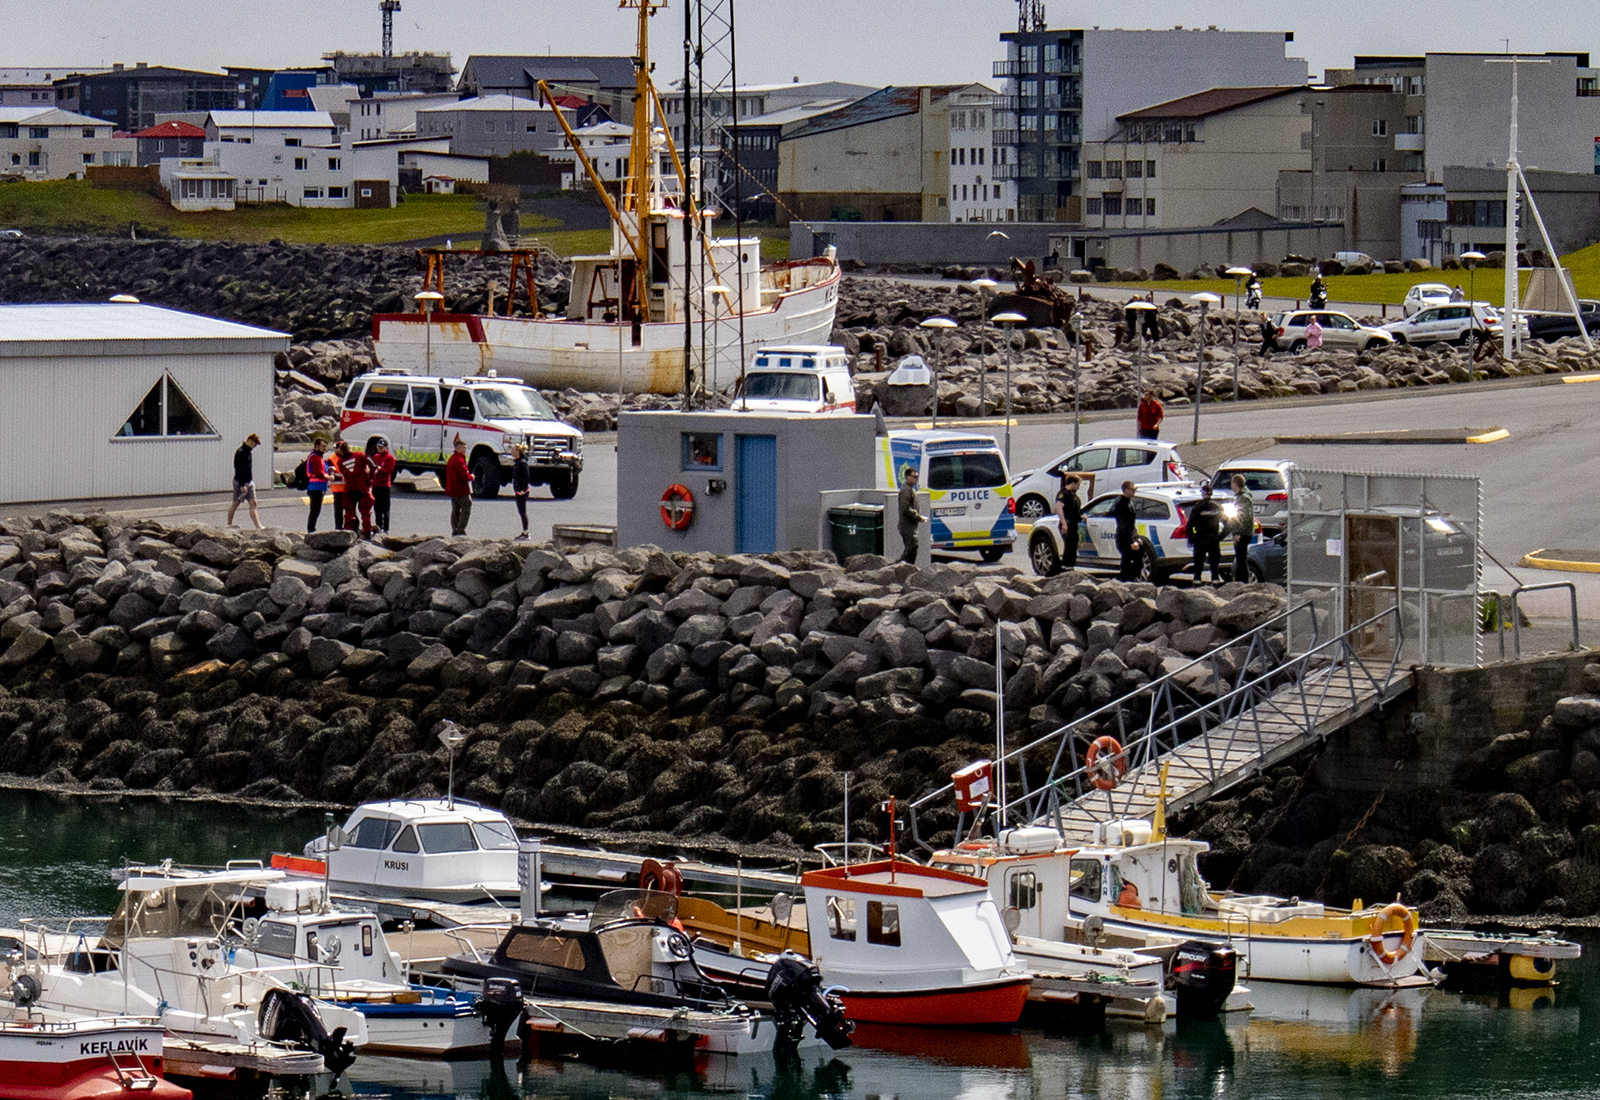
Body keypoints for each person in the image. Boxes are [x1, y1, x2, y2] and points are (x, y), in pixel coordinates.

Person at [1186, 483, 1227, 584]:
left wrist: (1191, 538)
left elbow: (1190, 525)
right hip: (1213, 538)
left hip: (1200, 538)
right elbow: (1228, 523)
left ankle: (1197, 581)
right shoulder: (1217, 507)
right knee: (1214, 563)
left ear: (1203, 493)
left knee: (1198, 563)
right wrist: (1221, 536)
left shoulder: (1197, 507)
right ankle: (1215, 581)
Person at [227, 433, 263, 530]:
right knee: (235, 503)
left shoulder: (248, 452)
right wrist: (242, 485)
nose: (254, 446)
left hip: (249, 481)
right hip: (240, 482)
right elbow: (239, 469)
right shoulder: (240, 452)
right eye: (254, 444)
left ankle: (258, 526)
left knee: (253, 502)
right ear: (250, 440)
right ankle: (229, 524)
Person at [340, 443, 373, 538]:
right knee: (365, 512)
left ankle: (348, 534)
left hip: (350, 489)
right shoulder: (360, 455)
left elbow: (343, 474)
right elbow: (373, 464)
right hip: (362, 488)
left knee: (349, 513)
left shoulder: (340, 462)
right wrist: (369, 478)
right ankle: (367, 532)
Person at [1113, 481, 1143, 581]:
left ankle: (1134, 579)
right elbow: (1123, 525)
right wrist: (1131, 541)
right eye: (1132, 489)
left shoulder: (1129, 502)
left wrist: (1137, 537)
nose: (1134, 492)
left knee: (1138, 560)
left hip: (1131, 536)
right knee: (1127, 560)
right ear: (1126, 490)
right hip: (1124, 538)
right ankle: (1125, 581)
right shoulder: (1121, 504)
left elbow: (1131, 524)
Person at [444, 437, 473, 536]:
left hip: (452, 489)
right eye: (464, 447)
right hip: (461, 490)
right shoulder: (459, 460)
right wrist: (471, 477)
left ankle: (454, 529)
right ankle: (460, 529)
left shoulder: (452, 459)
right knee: (466, 508)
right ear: (459, 448)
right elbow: (464, 475)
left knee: (455, 510)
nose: (465, 450)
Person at [1231, 473, 1256, 583]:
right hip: (1242, 532)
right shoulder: (1241, 496)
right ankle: (1242, 581)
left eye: (1232, 483)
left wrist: (1238, 532)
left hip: (1243, 533)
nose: (1231, 486)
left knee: (1241, 559)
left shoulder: (1244, 498)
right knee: (1240, 559)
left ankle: (1244, 583)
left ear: (1236, 484)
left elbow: (1246, 517)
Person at [1056, 474, 1083, 571]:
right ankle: (1066, 567)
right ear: (1072, 483)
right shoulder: (1064, 494)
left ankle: (1070, 566)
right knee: (1069, 545)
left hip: (1073, 523)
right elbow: (1059, 507)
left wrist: (1081, 517)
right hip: (1067, 523)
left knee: (1073, 545)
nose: (1078, 487)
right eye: (1077, 484)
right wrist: (1064, 523)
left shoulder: (1074, 496)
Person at [898, 465, 924, 565]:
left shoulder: (911, 490)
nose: (916, 479)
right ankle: (902, 566)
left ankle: (906, 566)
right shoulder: (905, 490)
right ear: (907, 477)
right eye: (914, 477)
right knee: (912, 546)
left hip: (911, 524)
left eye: (917, 476)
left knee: (912, 547)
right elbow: (905, 508)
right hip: (907, 524)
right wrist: (918, 516)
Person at [369, 438, 396, 534]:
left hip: (384, 486)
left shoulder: (390, 458)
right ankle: (378, 526)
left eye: (381, 447)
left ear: (386, 448)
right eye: (378, 447)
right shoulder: (375, 457)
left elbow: (389, 471)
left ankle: (386, 528)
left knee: (385, 508)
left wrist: (380, 469)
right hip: (376, 485)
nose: (379, 449)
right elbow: (372, 469)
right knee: (377, 508)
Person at [304, 438, 329, 533]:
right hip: (315, 487)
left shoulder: (319, 457)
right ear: (317, 446)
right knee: (315, 510)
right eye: (323, 446)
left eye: (325, 447)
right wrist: (330, 477)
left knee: (316, 510)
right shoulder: (315, 457)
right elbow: (319, 473)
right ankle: (311, 530)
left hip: (320, 486)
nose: (324, 449)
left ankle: (312, 529)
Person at [510, 442, 532, 540]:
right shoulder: (517, 462)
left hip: (522, 492)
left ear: (518, 451)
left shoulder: (522, 463)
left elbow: (526, 477)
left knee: (523, 511)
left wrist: (523, 489)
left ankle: (526, 532)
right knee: (521, 511)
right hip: (518, 491)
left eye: (514, 450)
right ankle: (524, 531)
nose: (512, 451)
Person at [329, 441, 349, 530]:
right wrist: (342, 475)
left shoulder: (348, 457)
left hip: (348, 488)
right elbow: (331, 473)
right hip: (337, 489)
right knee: (338, 511)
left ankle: (349, 528)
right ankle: (338, 528)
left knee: (349, 511)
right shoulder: (331, 459)